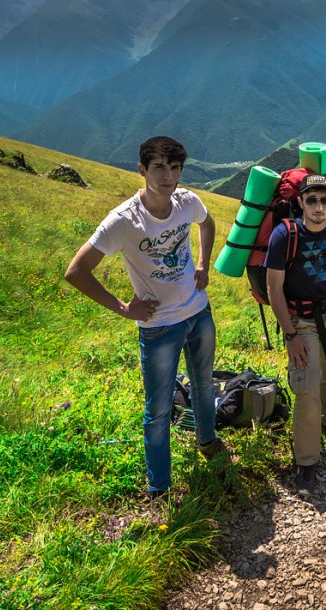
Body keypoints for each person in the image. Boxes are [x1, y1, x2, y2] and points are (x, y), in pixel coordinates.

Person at [64, 136, 230, 499]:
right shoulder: (123, 221)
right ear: (142, 170)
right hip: (158, 328)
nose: (168, 176)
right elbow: (76, 271)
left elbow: (208, 223)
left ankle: (207, 440)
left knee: (204, 385)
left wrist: (203, 263)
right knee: (157, 410)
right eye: (159, 167)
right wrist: (124, 308)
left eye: (175, 168)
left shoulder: (187, 202)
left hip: (199, 313)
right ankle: (160, 487)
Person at [265, 173, 326, 495]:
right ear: (300, 202)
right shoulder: (285, 235)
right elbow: (274, 289)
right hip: (301, 320)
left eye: (325, 200)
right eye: (312, 200)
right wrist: (291, 335)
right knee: (307, 388)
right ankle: (307, 461)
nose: (319, 207)